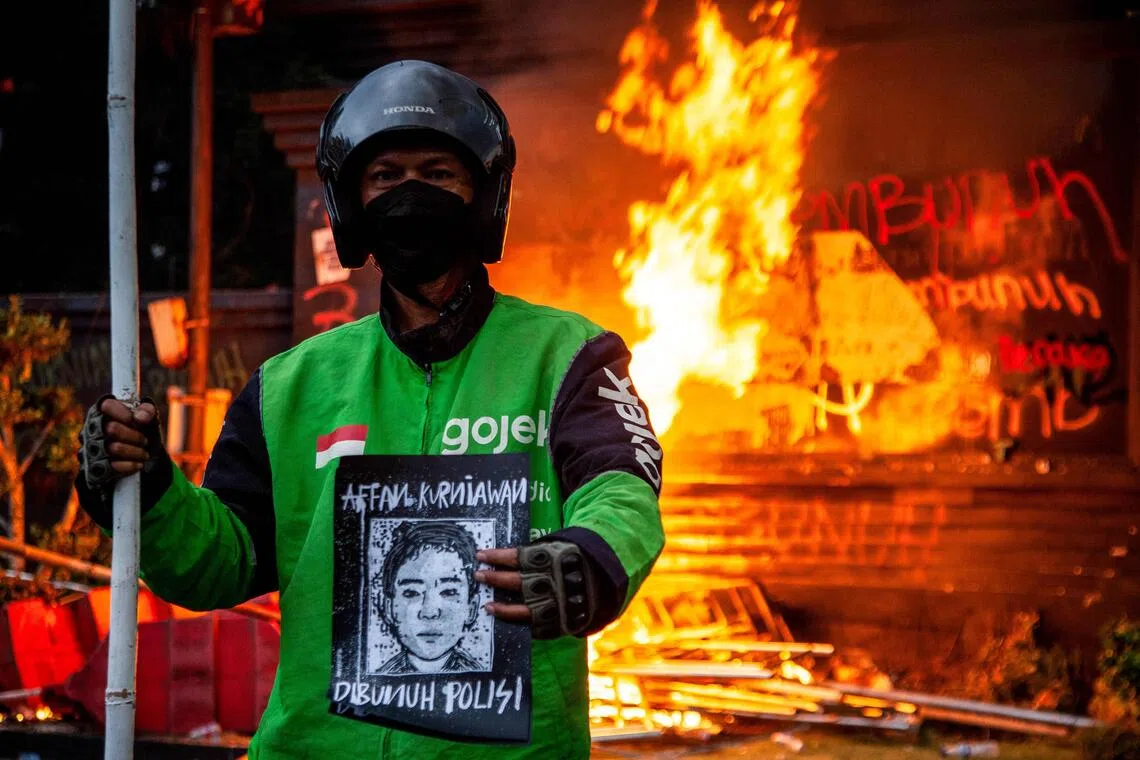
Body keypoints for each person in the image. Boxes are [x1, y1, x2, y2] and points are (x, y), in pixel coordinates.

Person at [76, 60, 665, 758]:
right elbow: (220, 564)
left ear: (483, 195)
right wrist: (147, 490)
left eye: (438, 175)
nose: (411, 195)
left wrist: (588, 559)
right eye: (385, 178)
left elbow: (622, 489)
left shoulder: (568, 357)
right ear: (352, 204)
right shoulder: (288, 387)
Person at [374, 521, 483, 675]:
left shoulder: (481, 675)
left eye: (449, 592)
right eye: (411, 593)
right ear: (388, 608)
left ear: (471, 608)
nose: (429, 612)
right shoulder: (381, 676)